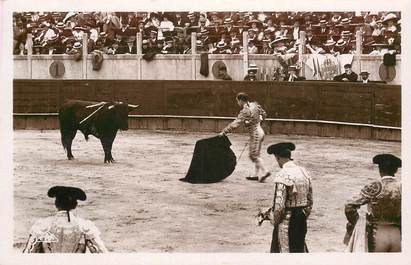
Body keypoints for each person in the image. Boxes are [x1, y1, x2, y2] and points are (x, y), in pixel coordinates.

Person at [256, 142, 313, 252]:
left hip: (286, 221)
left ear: (277, 157)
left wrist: (271, 217)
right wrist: (302, 216)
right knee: (299, 248)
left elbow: (279, 207)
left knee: (283, 252)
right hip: (301, 219)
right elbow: (310, 201)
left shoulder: (282, 175)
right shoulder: (304, 172)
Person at [22, 186, 108, 253]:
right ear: (75, 205)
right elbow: (102, 254)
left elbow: (27, 254)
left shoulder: (43, 225)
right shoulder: (85, 226)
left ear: (56, 204)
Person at [344, 154, 401, 252]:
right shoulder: (403, 187)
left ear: (380, 170)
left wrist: (354, 222)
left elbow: (349, 205)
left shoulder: (375, 186)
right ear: (396, 170)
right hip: (399, 234)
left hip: (377, 233)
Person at [219, 92, 270, 182]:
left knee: (253, 155)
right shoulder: (255, 105)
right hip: (260, 131)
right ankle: (255, 175)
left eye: (237, 101)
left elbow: (236, 123)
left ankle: (265, 172)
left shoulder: (245, 111)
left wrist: (224, 131)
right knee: (256, 154)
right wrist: (258, 120)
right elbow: (264, 114)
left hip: (255, 133)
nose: (237, 103)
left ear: (241, 100)